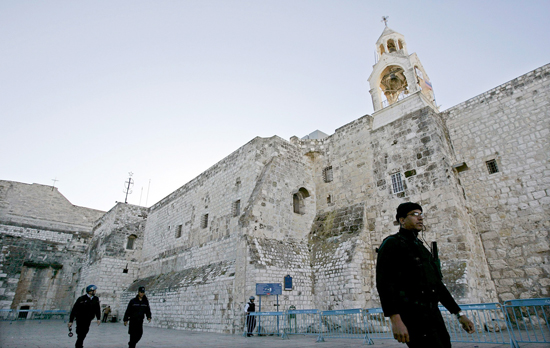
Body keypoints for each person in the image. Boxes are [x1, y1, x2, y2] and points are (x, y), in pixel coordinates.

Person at [376, 202, 475, 347]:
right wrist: (395, 319)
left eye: (421, 214)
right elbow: (384, 283)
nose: (420, 218)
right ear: (402, 220)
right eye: (415, 214)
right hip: (412, 316)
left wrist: (459, 314)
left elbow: (437, 285)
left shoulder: (422, 248)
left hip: (433, 314)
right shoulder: (391, 244)